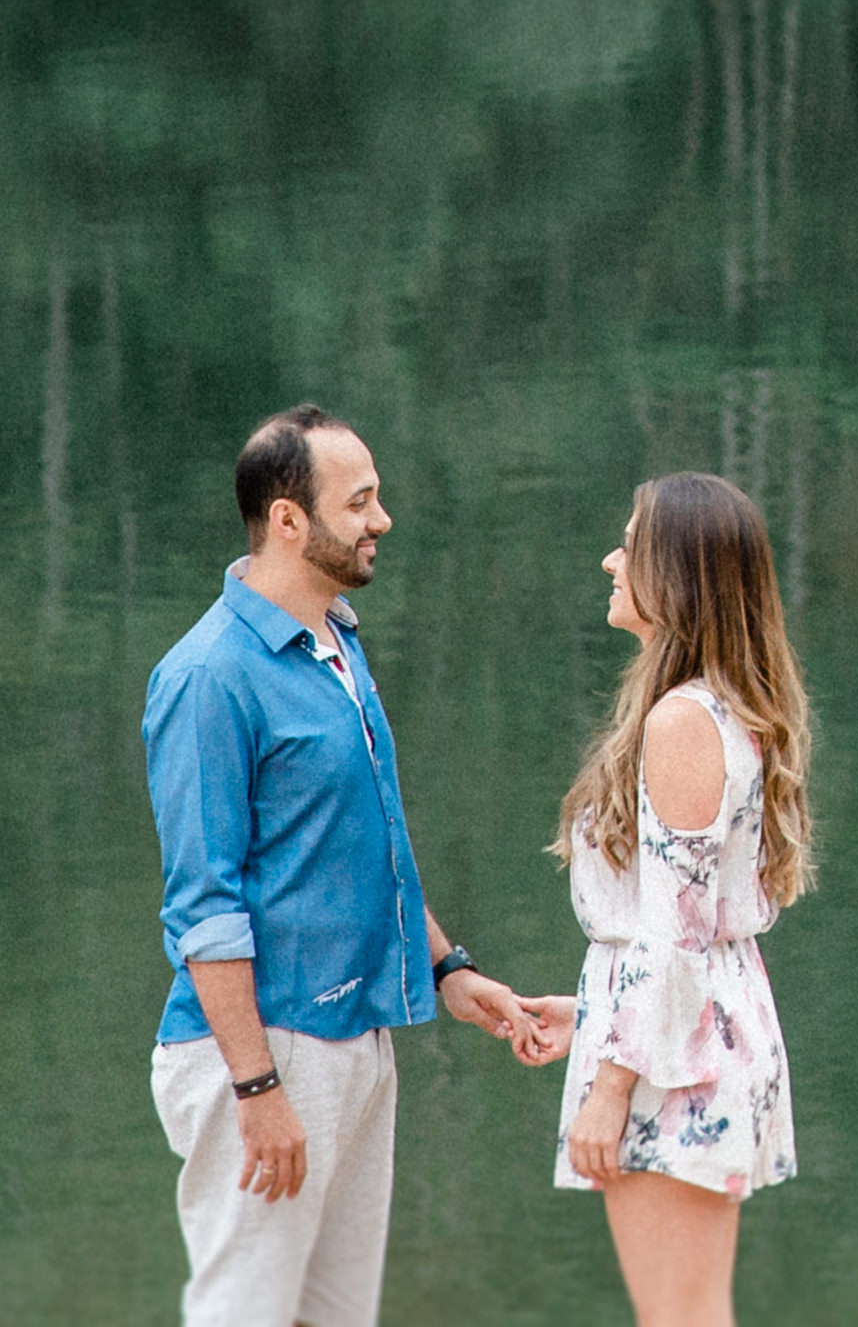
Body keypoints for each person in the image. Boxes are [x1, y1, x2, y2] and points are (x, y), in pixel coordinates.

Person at [141, 405, 572, 1327]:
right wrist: (257, 1089)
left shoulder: (338, 643)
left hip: (357, 1040)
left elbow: (369, 850)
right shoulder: (209, 678)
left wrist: (449, 970)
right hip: (265, 1049)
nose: (382, 519)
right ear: (289, 520)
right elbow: (204, 909)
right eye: (361, 501)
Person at [552, 469, 816, 1325]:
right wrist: (591, 1010)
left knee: (682, 1317)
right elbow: (674, 928)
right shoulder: (714, 710)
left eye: (629, 546)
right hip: (683, 1026)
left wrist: (610, 1085)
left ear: (677, 571)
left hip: (675, 1060)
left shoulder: (683, 722)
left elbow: (676, 934)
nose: (609, 561)